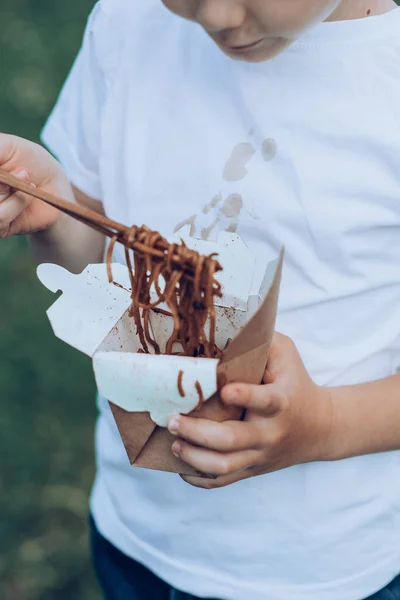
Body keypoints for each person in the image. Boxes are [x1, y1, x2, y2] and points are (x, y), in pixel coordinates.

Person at [1, 0, 400, 598]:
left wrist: (321, 426)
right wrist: (54, 212)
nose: (214, 15)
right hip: (137, 533)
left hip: (321, 569)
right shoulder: (127, 22)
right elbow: (98, 277)